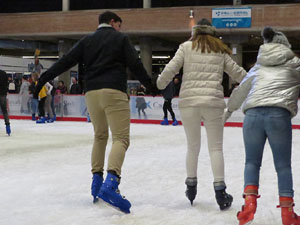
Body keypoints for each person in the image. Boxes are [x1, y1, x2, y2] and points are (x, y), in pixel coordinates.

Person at [34, 11, 157, 213]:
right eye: (119, 25)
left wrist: (44, 77)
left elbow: (65, 61)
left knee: (100, 136)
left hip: (91, 94)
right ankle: (111, 183)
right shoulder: (120, 39)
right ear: (113, 22)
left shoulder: (87, 40)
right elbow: (135, 64)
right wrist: (150, 87)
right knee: (121, 139)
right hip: (114, 91)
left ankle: (96, 184)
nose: (121, 29)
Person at [157, 18, 246, 209]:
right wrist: (254, 82)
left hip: (189, 103)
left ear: (195, 32)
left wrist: (160, 83)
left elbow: (171, 68)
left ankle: (191, 187)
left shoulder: (185, 47)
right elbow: (239, 73)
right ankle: (220, 192)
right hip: (213, 103)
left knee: (192, 147)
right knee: (215, 148)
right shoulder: (220, 50)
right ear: (212, 33)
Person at [224, 27, 300, 225]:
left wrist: (229, 111)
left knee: (251, 162)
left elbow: (241, 91)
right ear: (285, 45)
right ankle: (287, 213)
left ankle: (249, 204)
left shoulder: (258, 67)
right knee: (283, 166)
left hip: (253, 116)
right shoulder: (294, 64)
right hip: (279, 116)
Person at [0, 70, 11, 136]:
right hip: (3, 94)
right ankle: (8, 128)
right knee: (4, 111)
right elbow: (7, 83)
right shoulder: (4, 73)